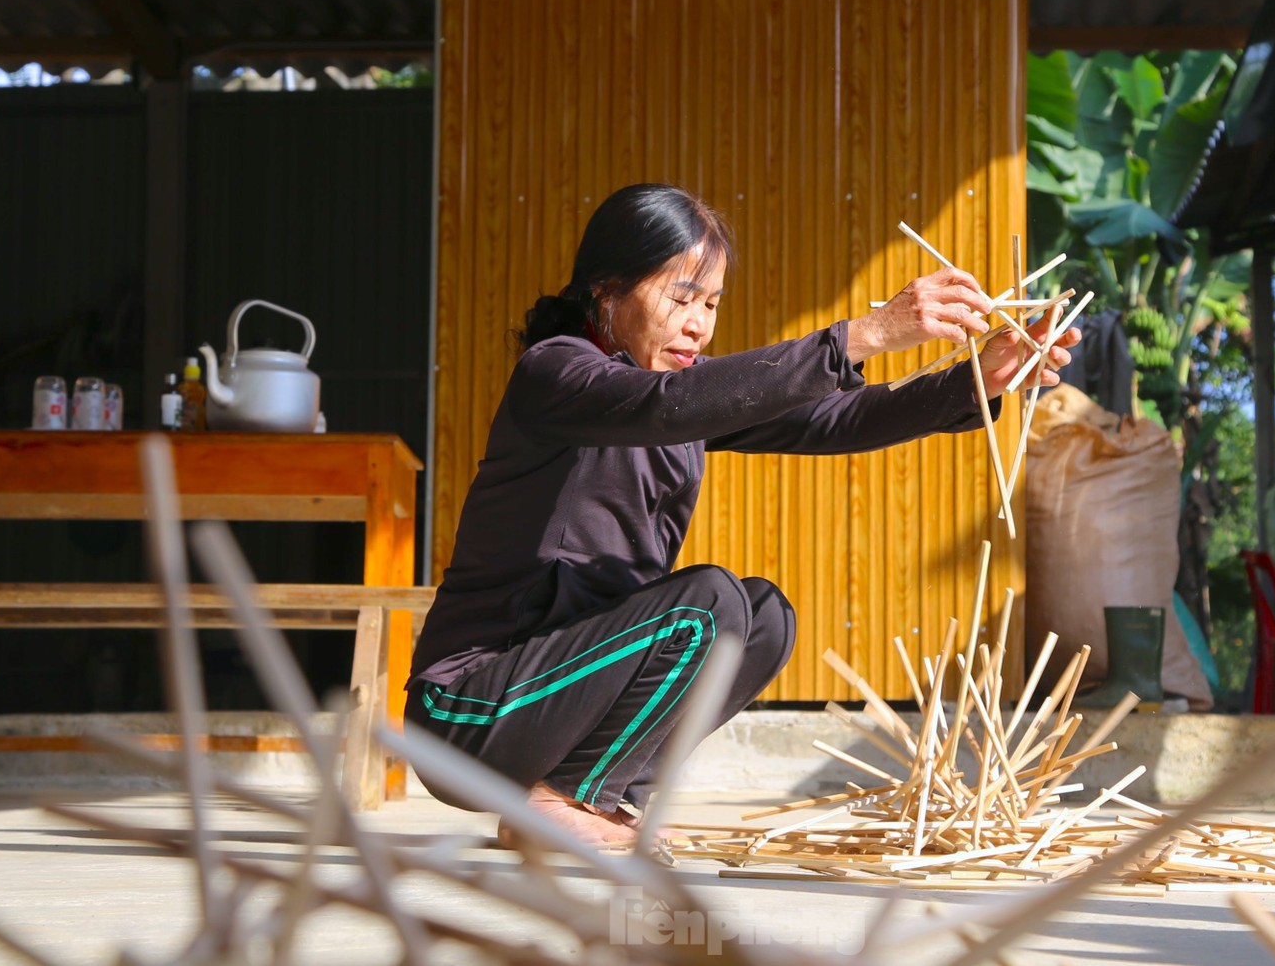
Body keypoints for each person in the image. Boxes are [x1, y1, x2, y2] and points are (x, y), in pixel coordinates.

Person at [405, 183, 1077, 848]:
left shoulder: (682, 394)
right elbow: (666, 405)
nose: (698, 322)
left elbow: (832, 417)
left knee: (761, 618)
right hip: (467, 712)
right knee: (708, 603)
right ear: (606, 291)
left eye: (711, 302)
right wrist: (866, 333)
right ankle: (560, 800)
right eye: (679, 296)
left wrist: (977, 381)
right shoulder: (556, 373)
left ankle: (600, 792)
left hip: (558, 702)